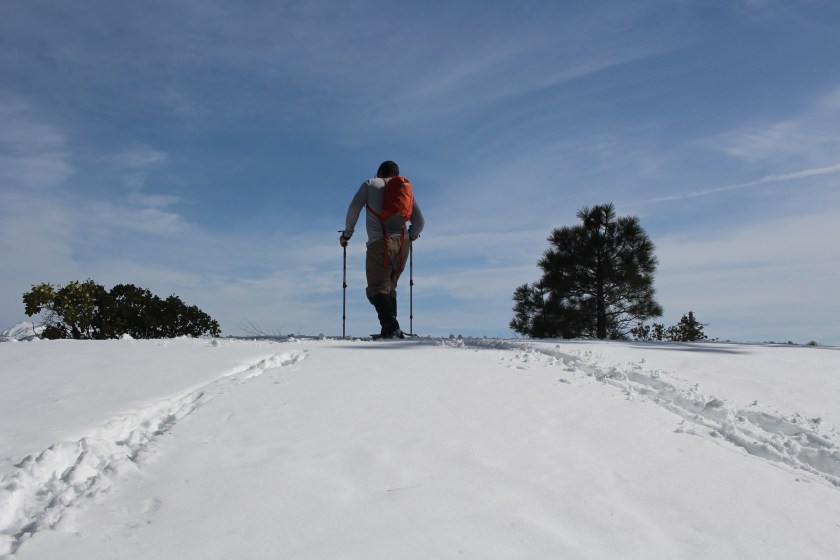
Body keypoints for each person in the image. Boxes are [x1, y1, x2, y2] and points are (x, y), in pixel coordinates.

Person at [340, 160, 425, 338]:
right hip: (403, 244)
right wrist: (412, 236)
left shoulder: (371, 184)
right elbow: (419, 222)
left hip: (380, 243)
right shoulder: (405, 191)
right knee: (389, 288)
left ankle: (392, 329)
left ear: (379, 171)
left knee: (377, 289)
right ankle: (388, 330)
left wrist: (347, 234)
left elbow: (354, 208)